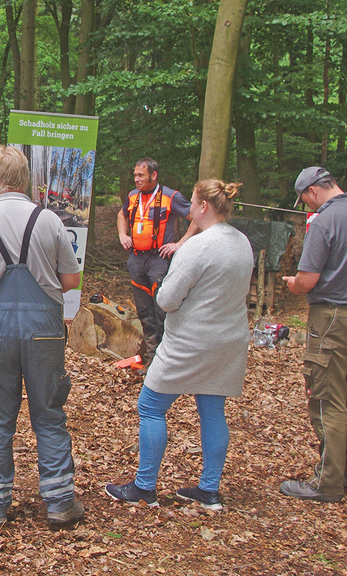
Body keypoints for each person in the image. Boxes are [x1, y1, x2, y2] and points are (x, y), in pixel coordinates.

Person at [0, 146, 84, 527]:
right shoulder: (50, 221)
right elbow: (72, 279)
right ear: (28, 181)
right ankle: (59, 501)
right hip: (45, 331)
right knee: (49, 415)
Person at [105, 179, 254, 510]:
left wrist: (160, 288)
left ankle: (145, 487)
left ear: (203, 207)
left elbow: (168, 300)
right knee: (213, 411)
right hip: (229, 341)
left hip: (191, 341)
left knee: (150, 406)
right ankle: (209, 490)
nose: (188, 209)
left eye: (192, 203)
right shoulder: (242, 242)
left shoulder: (197, 247)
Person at [278, 167, 347, 503]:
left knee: (327, 397)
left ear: (312, 191)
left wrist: (293, 284)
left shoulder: (324, 221)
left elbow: (307, 279)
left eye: (305, 200)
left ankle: (327, 482)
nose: (307, 206)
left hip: (332, 319)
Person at [116, 158, 198, 368]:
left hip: (158, 259)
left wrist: (179, 243)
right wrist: (123, 235)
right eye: (135, 175)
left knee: (161, 310)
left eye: (141, 175)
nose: (136, 179)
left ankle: (167, 359)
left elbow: (197, 218)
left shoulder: (170, 196)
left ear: (154, 175)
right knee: (144, 311)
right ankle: (151, 360)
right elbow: (121, 215)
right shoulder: (133, 196)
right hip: (136, 259)